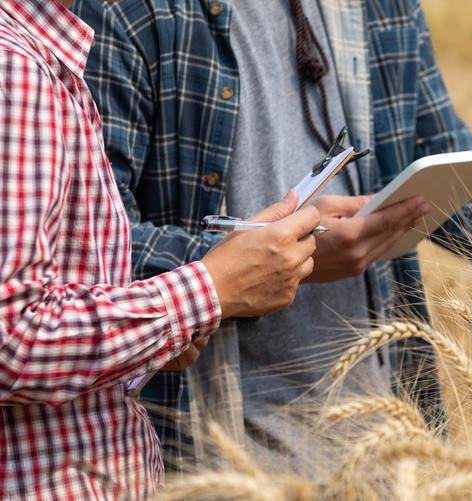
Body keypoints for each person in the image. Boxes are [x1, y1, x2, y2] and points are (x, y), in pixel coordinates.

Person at [73, 0, 472, 474]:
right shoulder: (122, 9)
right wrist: (270, 264)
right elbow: (90, 244)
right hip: (210, 448)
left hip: (387, 438)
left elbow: (435, 158)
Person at [0, 0, 326, 496]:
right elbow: (13, 339)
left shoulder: (42, 53)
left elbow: (54, 297)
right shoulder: (16, 68)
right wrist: (211, 287)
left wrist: (152, 343)